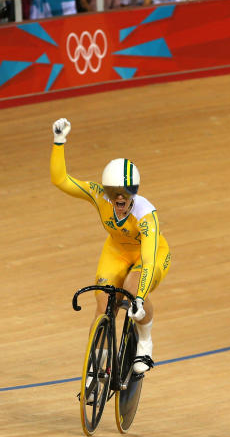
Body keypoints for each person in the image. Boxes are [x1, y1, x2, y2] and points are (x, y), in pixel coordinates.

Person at [49, 118, 171, 377]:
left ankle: (145, 342)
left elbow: (148, 262)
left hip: (149, 256)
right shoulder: (98, 195)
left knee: (131, 288)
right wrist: (59, 142)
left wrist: (137, 299)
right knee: (104, 302)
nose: (119, 198)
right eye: (114, 192)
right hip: (116, 252)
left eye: (124, 193)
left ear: (133, 193)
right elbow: (61, 180)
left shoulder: (146, 216)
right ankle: (98, 364)